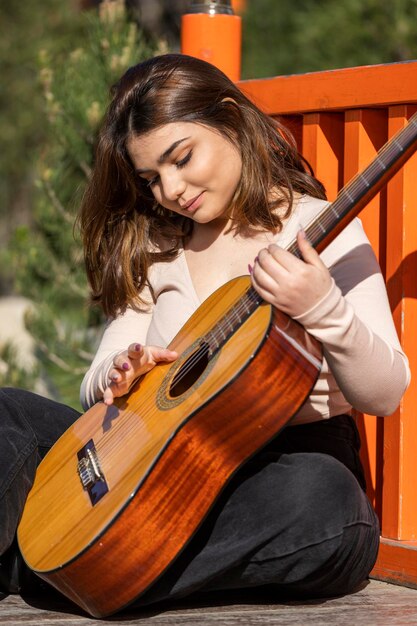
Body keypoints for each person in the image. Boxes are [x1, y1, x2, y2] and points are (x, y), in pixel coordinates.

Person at [0, 53, 410, 605]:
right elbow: (98, 375)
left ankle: (68, 570)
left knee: (328, 507)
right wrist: (117, 376)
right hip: (146, 451)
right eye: (151, 178)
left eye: (181, 158)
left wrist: (323, 308)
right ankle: (80, 572)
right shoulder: (157, 244)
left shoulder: (315, 228)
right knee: (10, 413)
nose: (171, 189)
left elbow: (385, 393)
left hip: (273, 470)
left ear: (229, 118)